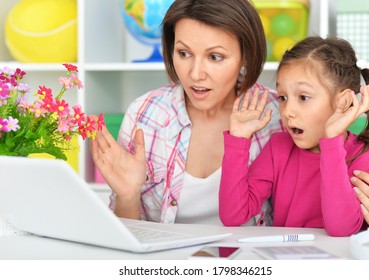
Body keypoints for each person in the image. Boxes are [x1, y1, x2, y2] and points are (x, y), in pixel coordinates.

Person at [89, 0, 283, 225]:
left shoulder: (277, 115)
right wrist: (127, 196)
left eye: (215, 57)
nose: (196, 73)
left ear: (246, 56)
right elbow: (128, 237)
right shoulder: (145, 115)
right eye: (184, 53)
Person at [219, 36, 369, 236]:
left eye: (303, 97)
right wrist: (238, 141)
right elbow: (233, 215)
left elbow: (340, 229)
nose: (287, 110)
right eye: (283, 97)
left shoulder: (368, 155)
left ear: (343, 102)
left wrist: (332, 143)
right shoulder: (278, 147)